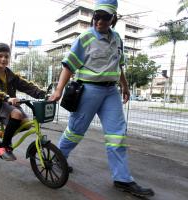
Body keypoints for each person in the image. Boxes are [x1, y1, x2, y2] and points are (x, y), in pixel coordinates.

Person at [49, 0, 154, 197]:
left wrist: (124, 85)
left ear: (113, 18)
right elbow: (69, 66)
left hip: (111, 92)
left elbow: (119, 65)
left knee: (117, 134)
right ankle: (59, 157)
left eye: (105, 17)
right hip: (88, 91)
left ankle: (122, 179)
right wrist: (58, 90)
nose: (99, 21)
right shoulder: (85, 38)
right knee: (75, 131)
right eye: (97, 16)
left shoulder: (117, 39)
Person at [0, 43, 46, 161]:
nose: (3, 59)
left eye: (6, 56)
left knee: (27, 124)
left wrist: (43, 94)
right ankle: (4, 147)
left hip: (7, 103)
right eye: (0, 56)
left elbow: (26, 85)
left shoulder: (10, 74)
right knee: (17, 114)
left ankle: (2, 134)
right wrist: (7, 98)